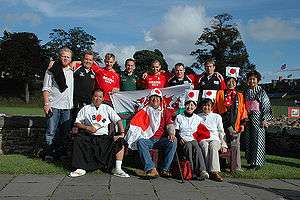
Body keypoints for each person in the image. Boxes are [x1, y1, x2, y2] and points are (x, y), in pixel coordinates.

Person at [69, 89, 130, 178]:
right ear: (92, 97)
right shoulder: (86, 108)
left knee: (120, 141)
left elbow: (118, 120)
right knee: (78, 139)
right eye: (96, 96)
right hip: (89, 136)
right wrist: (87, 127)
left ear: (103, 98)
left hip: (104, 138)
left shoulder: (107, 108)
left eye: (100, 97)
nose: (98, 99)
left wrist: (122, 133)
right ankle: (80, 168)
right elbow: (76, 123)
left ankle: (117, 168)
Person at [125, 88, 177, 178]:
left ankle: (165, 169)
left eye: (157, 98)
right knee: (140, 142)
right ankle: (151, 169)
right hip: (148, 139)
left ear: (160, 100)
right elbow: (136, 124)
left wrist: (171, 133)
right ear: (149, 99)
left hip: (161, 140)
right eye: (153, 98)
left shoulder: (165, 112)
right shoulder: (144, 111)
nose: (155, 100)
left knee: (173, 141)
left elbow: (169, 124)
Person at [42, 47, 74, 161]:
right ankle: (49, 153)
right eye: (63, 56)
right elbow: (46, 88)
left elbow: (90, 62)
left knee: (64, 133)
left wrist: (77, 61)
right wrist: (46, 103)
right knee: (51, 131)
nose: (65, 58)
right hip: (54, 105)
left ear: (71, 59)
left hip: (67, 107)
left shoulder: (72, 70)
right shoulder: (52, 69)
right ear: (59, 57)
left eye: (68, 57)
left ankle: (61, 154)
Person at [214, 67, 248, 171]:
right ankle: (222, 166)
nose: (231, 83)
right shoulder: (220, 93)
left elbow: (243, 109)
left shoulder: (240, 95)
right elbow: (216, 107)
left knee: (235, 145)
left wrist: (242, 124)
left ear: (236, 83)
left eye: (233, 81)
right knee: (222, 144)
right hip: (222, 122)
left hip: (236, 123)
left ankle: (235, 167)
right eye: (229, 81)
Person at [174, 90, 209, 180]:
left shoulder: (197, 118)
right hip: (182, 139)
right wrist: (179, 138)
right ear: (185, 105)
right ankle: (191, 171)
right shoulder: (179, 117)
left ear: (195, 107)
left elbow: (201, 131)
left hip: (193, 139)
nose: (189, 107)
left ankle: (202, 171)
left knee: (196, 146)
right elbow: (176, 130)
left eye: (192, 105)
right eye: (188, 105)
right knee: (189, 146)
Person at [244, 70, 273, 170]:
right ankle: (251, 161)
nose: (252, 81)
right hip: (248, 117)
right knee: (249, 139)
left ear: (258, 80)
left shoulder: (261, 91)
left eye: (254, 79)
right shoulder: (246, 91)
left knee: (258, 139)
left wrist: (265, 119)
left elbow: (266, 105)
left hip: (258, 117)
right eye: (250, 79)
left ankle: (257, 163)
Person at [198, 98, 228, 182]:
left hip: (215, 138)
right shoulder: (197, 116)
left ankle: (214, 172)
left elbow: (221, 131)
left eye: (208, 105)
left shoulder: (217, 116)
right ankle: (206, 170)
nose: (206, 107)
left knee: (213, 146)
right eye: (204, 105)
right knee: (204, 146)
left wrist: (223, 144)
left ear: (212, 107)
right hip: (203, 138)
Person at [72, 51, 95, 120]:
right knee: (74, 121)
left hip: (88, 101)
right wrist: (75, 62)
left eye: (90, 60)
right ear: (82, 59)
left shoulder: (94, 71)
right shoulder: (76, 67)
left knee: (86, 121)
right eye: (86, 59)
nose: (88, 61)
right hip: (76, 101)